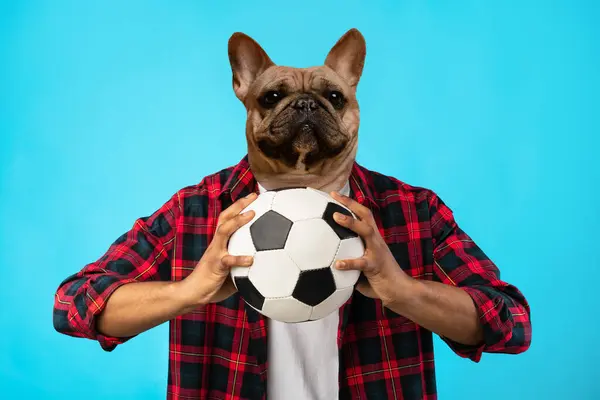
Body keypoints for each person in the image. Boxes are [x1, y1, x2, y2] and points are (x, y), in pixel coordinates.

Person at [53, 29, 531, 400]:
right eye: (273, 98)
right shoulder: (197, 212)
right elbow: (72, 304)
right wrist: (187, 292)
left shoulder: (412, 211)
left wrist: (402, 290)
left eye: (333, 98)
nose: (304, 108)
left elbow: (510, 321)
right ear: (241, 89)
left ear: (356, 105)